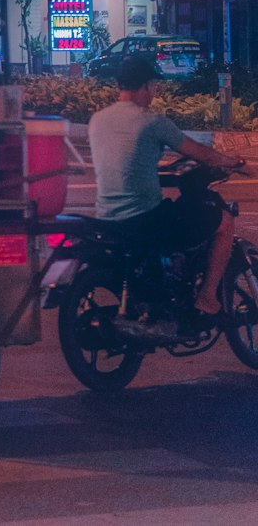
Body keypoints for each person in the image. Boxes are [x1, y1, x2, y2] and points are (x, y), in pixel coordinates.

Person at [89, 53, 242, 330]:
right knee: (223, 222)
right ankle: (207, 299)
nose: (155, 92)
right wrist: (233, 163)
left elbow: (128, 161)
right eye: (154, 86)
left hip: (106, 216)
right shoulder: (153, 122)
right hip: (146, 218)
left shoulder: (98, 120)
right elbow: (200, 154)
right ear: (146, 86)